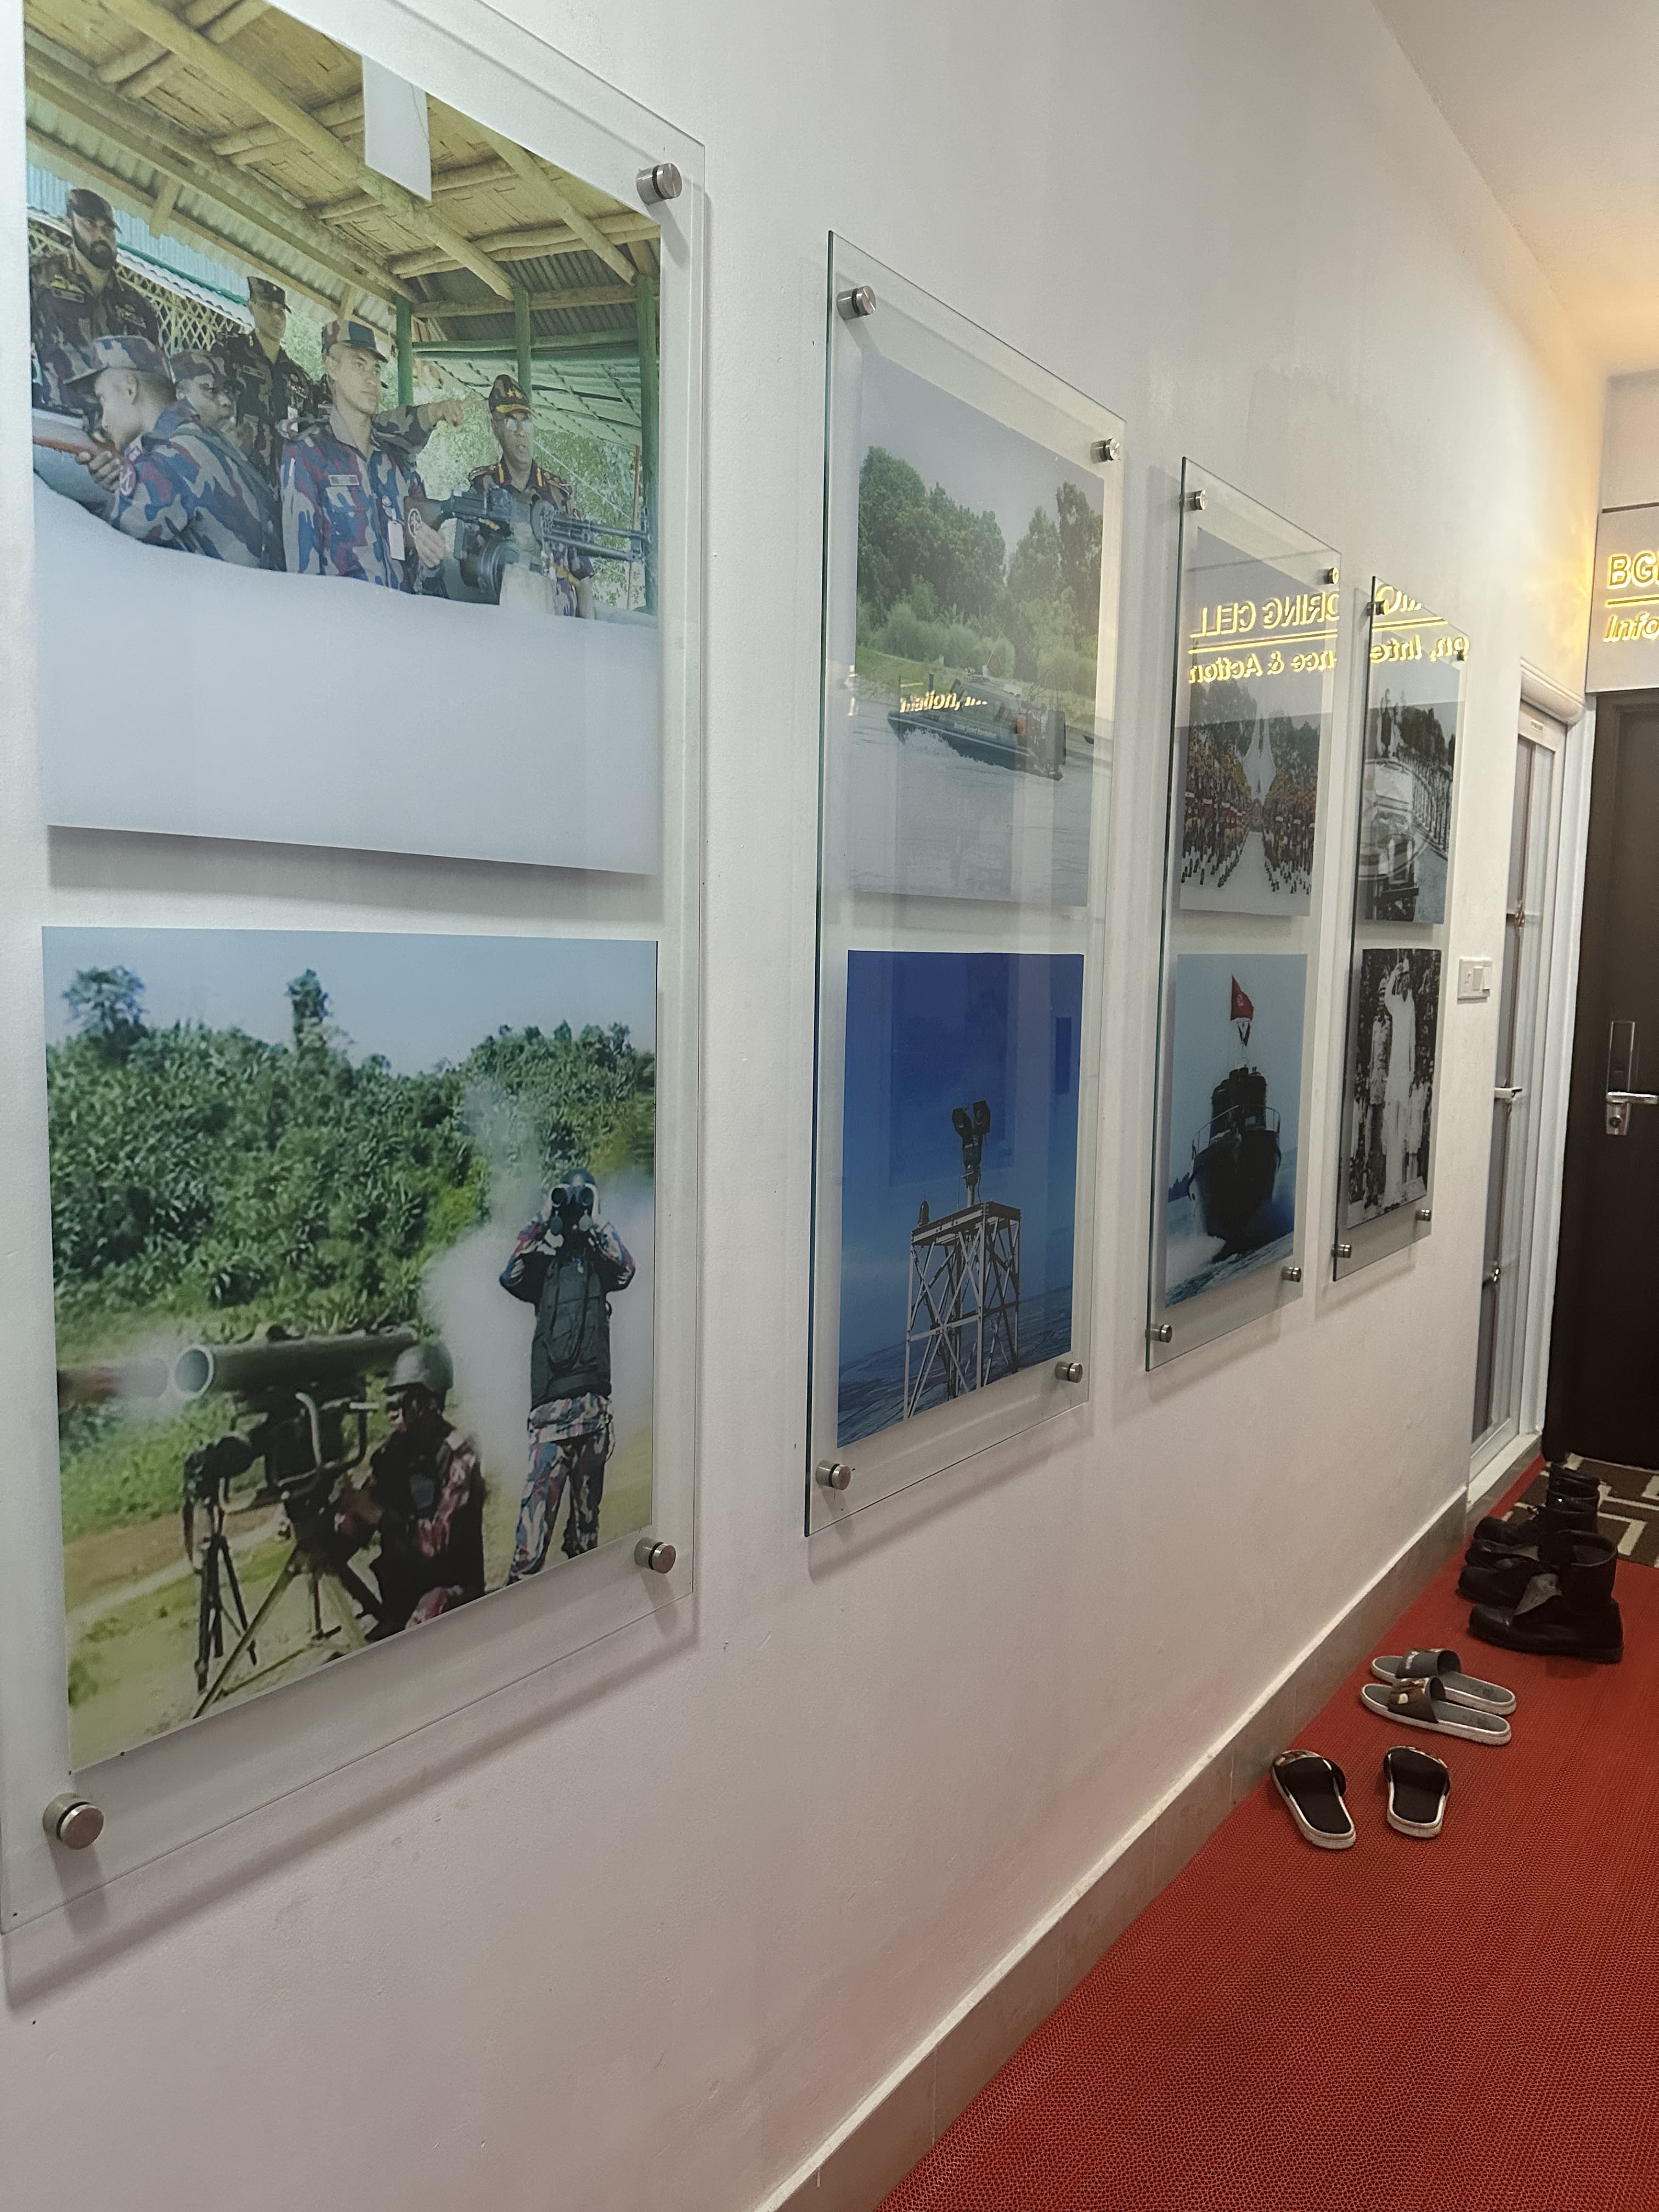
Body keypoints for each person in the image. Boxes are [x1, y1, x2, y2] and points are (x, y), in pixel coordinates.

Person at [500, 1167, 635, 1572]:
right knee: (530, 1547)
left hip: (592, 1417)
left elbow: (626, 1269)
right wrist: (543, 1219)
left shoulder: (598, 1263)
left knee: (586, 1540)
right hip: (550, 1422)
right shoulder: (542, 1267)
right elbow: (510, 1276)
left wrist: (597, 1217)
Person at [63, 334, 282, 568]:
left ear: (130, 390)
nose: (104, 422)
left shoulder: (171, 458)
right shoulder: (197, 436)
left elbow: (102, 552)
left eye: (104, 399)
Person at [281, 317, 449, 590]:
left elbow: (424, 577)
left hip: (401, 621)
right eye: (359, 365)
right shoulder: (308, 455)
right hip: (345, 625)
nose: (372, 380)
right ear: (331, 367)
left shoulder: (398, 462)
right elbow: (302, 575)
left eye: (376, 370)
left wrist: (432, 562)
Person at [334, 1342, 486, 1637]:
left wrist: (377, 1515)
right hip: (402, 1597)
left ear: (428, 1402)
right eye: (389, 1402)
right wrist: (341, 1515)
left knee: (421, 1627)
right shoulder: (390, 1456)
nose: (391, 1411)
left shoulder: (459, 1456)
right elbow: (356, 1533)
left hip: (449, 1590)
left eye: (402, 1401)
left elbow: (437, 1545)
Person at [457, 373, 593, 615]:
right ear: (495, 427)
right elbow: (467, 568)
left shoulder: (558, 494)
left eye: (526, 421)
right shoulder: (482, 488)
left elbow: (583, 577)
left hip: (562, 633)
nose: (521, 431)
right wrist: (508, 557)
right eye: (511, 422)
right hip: (508, 631)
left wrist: (591, 641)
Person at [30, 186, 161, 420]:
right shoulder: (40, 277)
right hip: (60, 422)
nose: (101, 236)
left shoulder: (140, 307)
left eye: (108, 228)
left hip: (120, 439)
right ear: (69, 224)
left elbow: (155, 381)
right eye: (90, 224)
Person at [216, 277, 320, 490]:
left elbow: (309, 437)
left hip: (285, 487)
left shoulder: (298, 377)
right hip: (235, 478)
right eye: (266, 307)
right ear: (252, 307)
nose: (276, 317)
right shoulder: (230, 354)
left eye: (281, 311)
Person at [169, 348, 236, 437]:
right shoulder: (170, 446)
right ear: (182, 397)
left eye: (228, 390)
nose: (227, 402)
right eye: (211, 391)